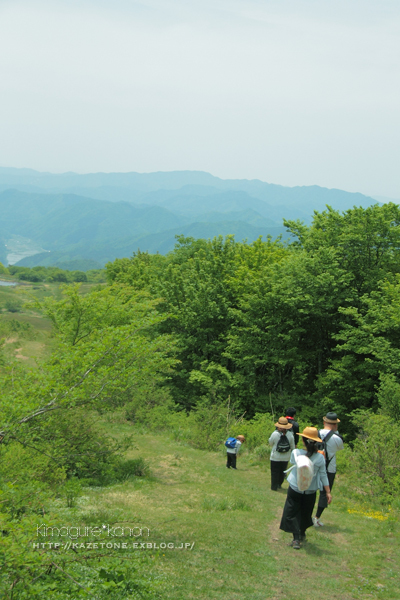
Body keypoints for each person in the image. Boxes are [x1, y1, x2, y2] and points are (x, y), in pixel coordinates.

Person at [280, 427, 331, 549]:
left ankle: (296, 538)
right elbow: (323, 475)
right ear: (317, 442)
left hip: (295, 487)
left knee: (292, 512)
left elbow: (292, 462)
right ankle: (301, 532)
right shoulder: (320, 458)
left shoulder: (296, 453)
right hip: (310, 490)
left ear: (303, 440)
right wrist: (328, 492)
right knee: (305, 512)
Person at [313, 412, 344, 527]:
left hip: (315, 466)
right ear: (335, 424)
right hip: (329, 468)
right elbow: (339, 448)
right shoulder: (337, 438)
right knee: (324, 493)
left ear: (324, 422)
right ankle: (316, 518)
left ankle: (306, 515)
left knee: (310, 491)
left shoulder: (315, 433)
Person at [269, 417, 295, 491]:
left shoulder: (274, 434)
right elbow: (292, 446)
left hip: (275, 456)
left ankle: (274, 487)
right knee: (282, 472)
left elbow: (271, 443)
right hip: (286, 457)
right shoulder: (290, 434)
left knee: (274, 472)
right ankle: (279, 484)